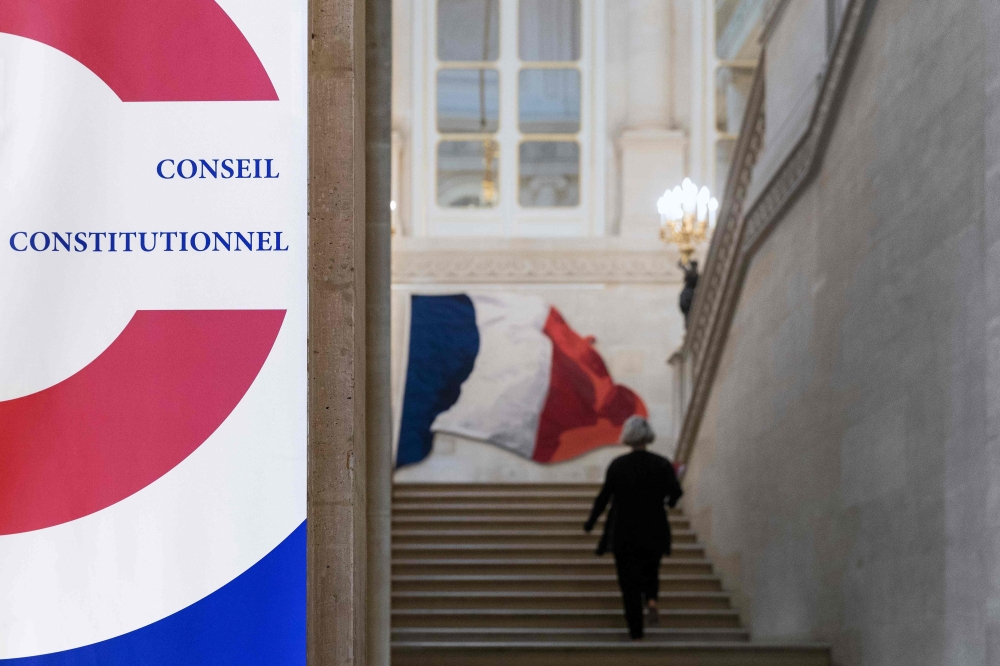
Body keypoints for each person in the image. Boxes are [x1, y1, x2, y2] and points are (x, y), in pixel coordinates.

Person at [583, 416, 683, 639]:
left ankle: (636, 631)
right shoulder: (661, 463)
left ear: (627, 437)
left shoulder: (618, 465)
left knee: (628, 582)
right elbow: (676, 492)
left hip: (624, 530)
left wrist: (590, 523)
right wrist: (669, 503)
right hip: (654, 527)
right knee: (651, 570)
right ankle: (652, 599)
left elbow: (604, 497)